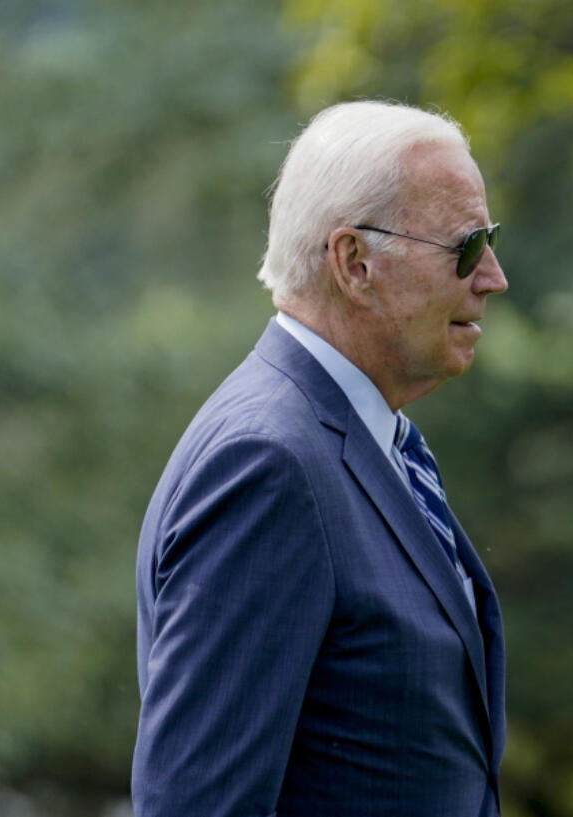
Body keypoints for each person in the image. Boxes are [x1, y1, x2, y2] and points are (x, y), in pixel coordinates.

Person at [132, 100, 509, 817]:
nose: (492, 276)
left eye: (489, 241)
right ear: (354, 261)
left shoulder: (367, 439)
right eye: (465, 247)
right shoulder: (267, 464)